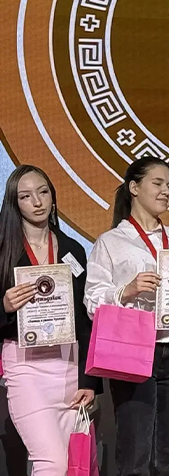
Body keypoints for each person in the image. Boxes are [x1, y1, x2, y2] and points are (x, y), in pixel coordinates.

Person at [84, 157, 169, 476]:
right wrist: (127, 290)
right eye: (158, 183)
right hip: (133, 351)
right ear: (134, 188)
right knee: (134, 453)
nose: (166, 191)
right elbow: (92, 301)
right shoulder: (111, 242)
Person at [0, 165, 100, 476]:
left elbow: (85, 319)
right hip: (25, 366)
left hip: (68, 364)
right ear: (15, 203)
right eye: (26, 196)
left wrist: (89, 381)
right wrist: (3, 306)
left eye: (43, 192)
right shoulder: (3, 251)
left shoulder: (72, 250)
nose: (37, 201)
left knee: (74, 463)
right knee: (52, 463)